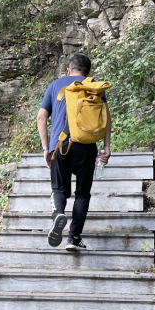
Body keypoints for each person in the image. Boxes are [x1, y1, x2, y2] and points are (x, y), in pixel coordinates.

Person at [37, 53, 111, 251]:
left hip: (59, 146)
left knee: (59, 190)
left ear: (68, 70)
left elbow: (41, 117)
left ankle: (59, 214)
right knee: (82, 194)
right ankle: (74, 238)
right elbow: (106, 118)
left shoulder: (55, 85)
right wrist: (106, 147)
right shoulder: (93, 86)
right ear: (88, 72)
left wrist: (46, 148)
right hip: (86, 147)